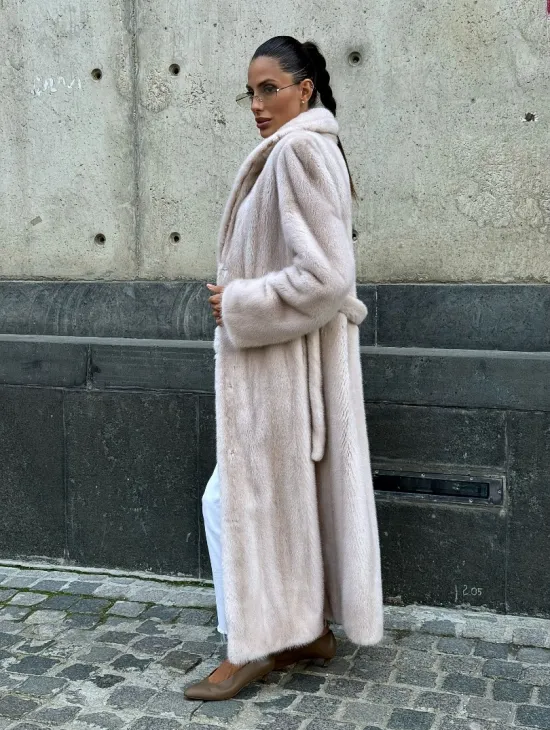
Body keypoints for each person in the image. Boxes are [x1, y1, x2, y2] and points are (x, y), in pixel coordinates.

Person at [184, 35, 384, 702]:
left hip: (281, 374)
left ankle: (249, 645)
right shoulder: (308, 148)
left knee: (230, 503)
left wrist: (239, 303)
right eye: (250, 91)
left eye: (269, 88)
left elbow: (326, 278)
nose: (257, 104)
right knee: (274, 506)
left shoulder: (298, 150)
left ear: (304, 89)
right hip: (288, 371)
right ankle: (304, 632)